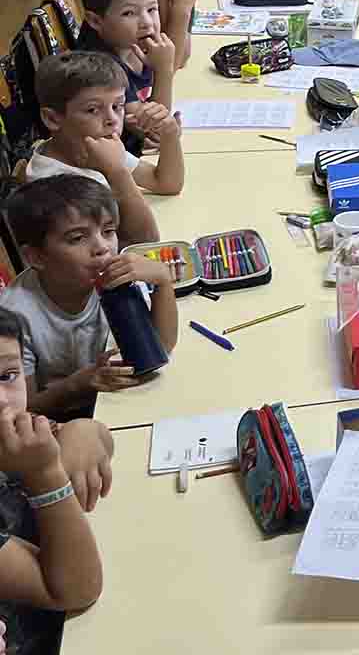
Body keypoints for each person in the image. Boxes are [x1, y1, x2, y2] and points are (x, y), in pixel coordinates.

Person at [0, 176, 178, 421]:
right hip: (62, 422)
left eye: (108, 231)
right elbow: (23, 410)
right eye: (77, 238)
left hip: (116, 404)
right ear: (36, 257)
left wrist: (163, 283)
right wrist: (78, 385)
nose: (102, 247)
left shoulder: (113, 279)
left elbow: (162, 347)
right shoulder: (15, 315)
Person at [0, 308, 105, 651]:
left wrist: (81, 430)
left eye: (7, 375)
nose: (2, 400)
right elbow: (75, 590)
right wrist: (45, 475)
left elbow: (102, 438)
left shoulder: (15, 428)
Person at [26, 52, 181, 245]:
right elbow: (143, 241)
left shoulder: (92, 146)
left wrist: (170, 134)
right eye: (92, 110)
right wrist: (117, 173)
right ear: (52, 118)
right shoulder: (55, 187)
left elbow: (166, 183)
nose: (112, 120)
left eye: (117, 106)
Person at [76, 0, 176, 158]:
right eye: (129, 13)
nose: (147, 22)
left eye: (151, 9)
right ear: (95, 20)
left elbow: (179, 59)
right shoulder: (101, 69)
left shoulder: (132, 44)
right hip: (116, 162)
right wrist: (163, 70)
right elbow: (156, 132)